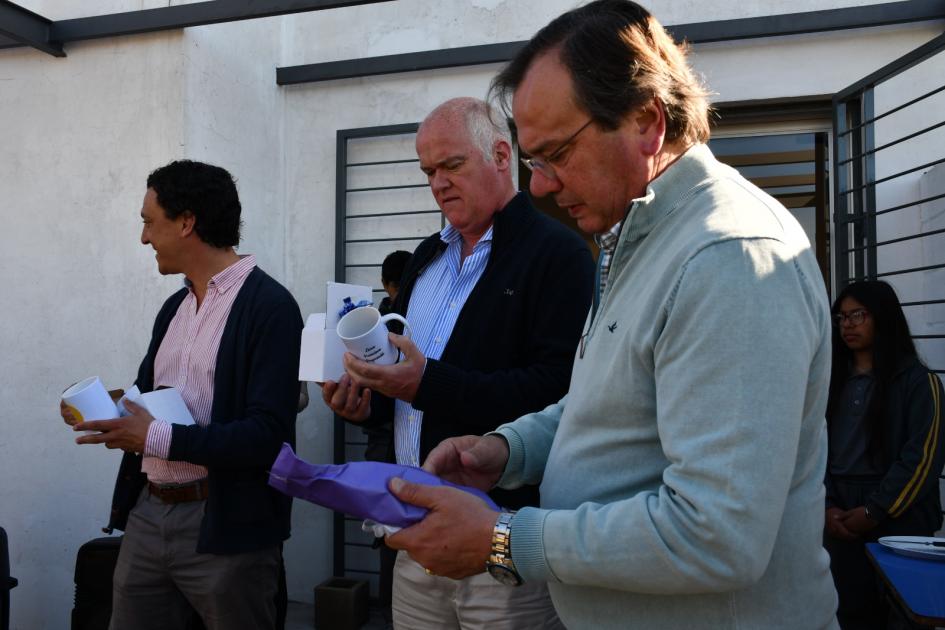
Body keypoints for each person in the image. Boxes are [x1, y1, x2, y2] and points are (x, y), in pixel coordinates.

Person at [380, 2, 841, 628]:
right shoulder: (643, 237)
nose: (539, 186)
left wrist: (504, 541)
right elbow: (608, 398)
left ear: (647, 121)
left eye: (555, 155)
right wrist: (506, 448)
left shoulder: (727, 255)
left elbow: (716, 536)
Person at [322, 97, 594, 629]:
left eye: (451, 165)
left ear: (499, 155)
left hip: (504, 540)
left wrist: (426, 384)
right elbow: (406, 392)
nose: (438, 183)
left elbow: (560, 392)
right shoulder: (427, 256)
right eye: (429, 171)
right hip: (418, 531)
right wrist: (366, 402)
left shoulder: (557, 254)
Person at [63, 160, 303, 630]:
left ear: (187, 222)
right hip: (149, 514)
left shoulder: (271, 308)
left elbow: (266, 435)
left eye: (149, 221)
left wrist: (153, 437)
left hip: (227, 523)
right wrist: (104, 408)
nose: (144, 237)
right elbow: (153, 396)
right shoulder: (174, 306)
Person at [824, 280, 944, 630]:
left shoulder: (919, 383)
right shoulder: (831, 382)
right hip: (840, 513)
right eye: (842, 317)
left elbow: (922, 459)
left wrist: (875, 510)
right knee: (847, 612)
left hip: (898, 516)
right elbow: (813, 446)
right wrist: (827, 505)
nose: (848, 324)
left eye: (858, 315)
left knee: (904, 616)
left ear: (883, 317)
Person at [367, 248, 412, 626]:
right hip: (383, 440)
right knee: (389, 532)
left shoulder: (398, 319)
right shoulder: (378, 324)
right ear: (387, 287)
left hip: (400, 438)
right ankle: (388, 611)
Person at [378, 250, 411, 316]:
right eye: (397, 289)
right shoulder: (380, 323)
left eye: (410, 288)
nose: (403, 296)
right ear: (384, 284)